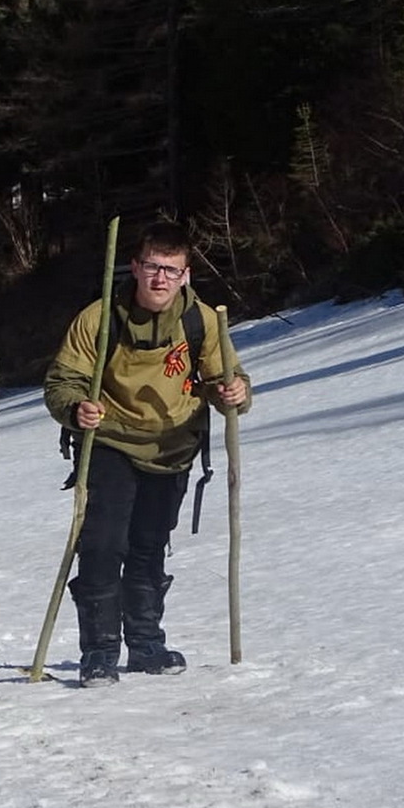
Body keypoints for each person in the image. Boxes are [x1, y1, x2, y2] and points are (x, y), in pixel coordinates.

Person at [45, 221, 252, 687]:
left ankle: (145, 644)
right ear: (135, 267)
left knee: (149, 545)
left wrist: (235, 392)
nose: (160, 279)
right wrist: (76, 408)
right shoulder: (99, 319)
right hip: (111, 440)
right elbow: (62, 381)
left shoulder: (201, 320)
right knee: (102, 543)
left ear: (185, 275)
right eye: (153, 267)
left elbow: (229, 381)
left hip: (174, 446)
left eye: (171, 270)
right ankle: (98, 652)